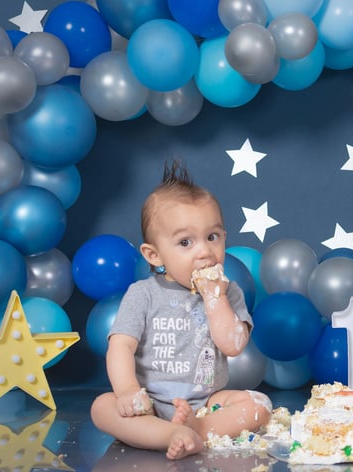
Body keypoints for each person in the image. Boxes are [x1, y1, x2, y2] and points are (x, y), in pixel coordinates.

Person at [90, 161, 272, 460]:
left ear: (224, 237)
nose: (204, 251)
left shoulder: (229, 292)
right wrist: (126, 391)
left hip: (206, 403)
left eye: (212, 237)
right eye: (185, 242)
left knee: (259, 404)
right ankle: (169, 433)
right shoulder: (143, 294)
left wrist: (215, 298)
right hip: (147, 403)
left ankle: (198, 430)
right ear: (154, 255)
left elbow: (233, 345)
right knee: (102, 408)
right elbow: (120, 345)